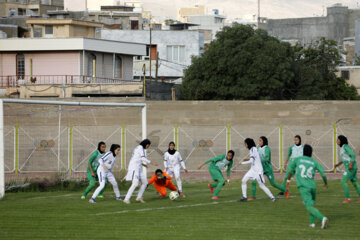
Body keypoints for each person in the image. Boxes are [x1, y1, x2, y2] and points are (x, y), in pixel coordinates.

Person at [286, 144, 328, 229]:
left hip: (303, 187)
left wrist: (288, 181)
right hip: (313, 186)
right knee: (310, 205)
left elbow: (290, 171)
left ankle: (322, 218)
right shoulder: (314, 161)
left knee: (308, 206)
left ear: (303, 152)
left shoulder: (298, 159)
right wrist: (325, 183)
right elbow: (323, 174)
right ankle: (312, 223)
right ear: (311, 153)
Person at [238, 138, 275, 202]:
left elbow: (252, 160)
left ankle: (272, 197)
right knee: (243, 180)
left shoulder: (253, 149)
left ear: (248, 143)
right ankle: (244, 197)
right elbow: (253, 159)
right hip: (253, 170)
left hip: (258, 171)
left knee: (261, 185)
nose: (245, 145)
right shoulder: (252, 149)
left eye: (245, 143)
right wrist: (246, 160)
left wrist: (241, 163)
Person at [124, 139, 158, 204]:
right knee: (135, 183)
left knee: (145, 182)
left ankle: (139, 197)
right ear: (146, 144)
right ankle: (126, 199)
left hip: (138, 168)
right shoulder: (140, 148)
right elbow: (142, 158)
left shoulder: (139, 148)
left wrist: (143, 164)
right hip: (134, 168)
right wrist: (151, 162)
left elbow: (137, 158)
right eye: (148, 145)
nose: (148, 147)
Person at [334, 135, 360, 203]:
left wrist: (351, 164)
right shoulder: (342, 148)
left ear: (341, 140)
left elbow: (353, 155)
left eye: (338, 140)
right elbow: (344, 159)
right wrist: (338, 164)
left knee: (343, 181)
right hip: (352, 167)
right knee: (354, 183)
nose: (337, 141)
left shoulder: (345, 146)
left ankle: (348, 199)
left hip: (350, 167)